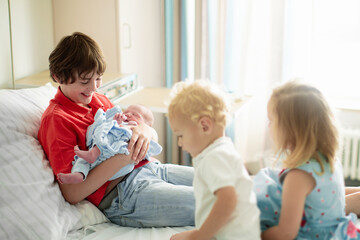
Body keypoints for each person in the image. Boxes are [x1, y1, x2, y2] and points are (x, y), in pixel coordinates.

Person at [38, 32, 195, 228]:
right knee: (212, 202)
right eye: (85, 81)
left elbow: (138, 130)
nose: (93, 88)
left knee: (223, 183)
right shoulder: (57, 120)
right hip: (123, 193)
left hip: (152, 168)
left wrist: (144, 131)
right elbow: (72, 193)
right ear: (58, 76)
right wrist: (126, 156)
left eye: (98, 79)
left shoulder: (97, 100)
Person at [253, 81, 360, 239]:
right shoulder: (328, 160)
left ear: (291, 129)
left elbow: (286, 233)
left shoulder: (298, 176)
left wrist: (253, 234)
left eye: (271, 121)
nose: (269, 126)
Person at [168, 80, 261, 240]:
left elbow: (228, 199)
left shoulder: (214, 157)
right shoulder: (221, 150)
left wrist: (198, 236)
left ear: (204, 126)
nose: (180, 143)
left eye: (180, 135)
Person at [57, 104, 162, 184]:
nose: (128, 114)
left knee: (106, 141)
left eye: (135, 115)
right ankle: (79, 174)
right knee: (81, 160)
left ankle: (93, 154)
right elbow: (109, 126)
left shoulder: (134, 126)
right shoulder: (119, 118)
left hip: (117, 153)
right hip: (106, 160)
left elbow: (125, 132)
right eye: (127, 111)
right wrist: (116, 121)